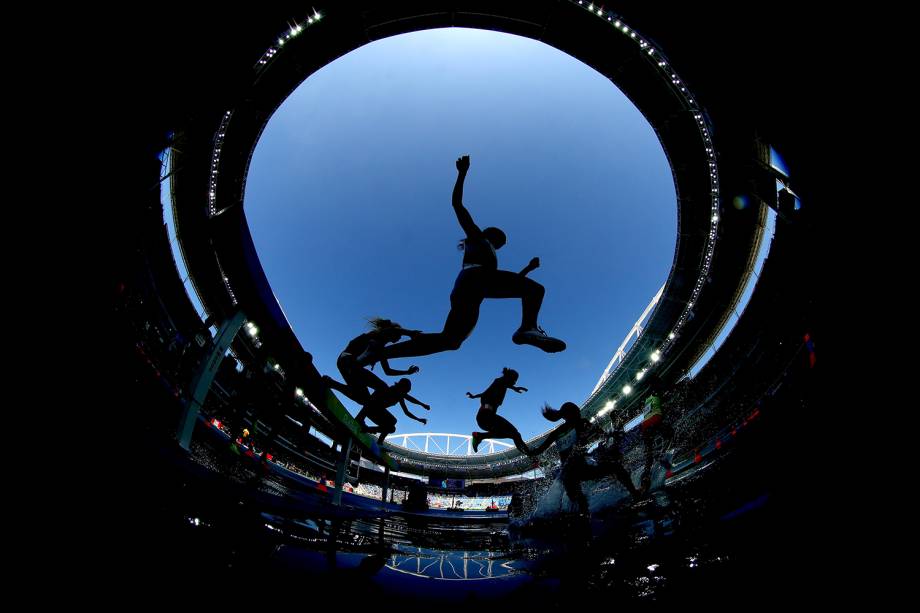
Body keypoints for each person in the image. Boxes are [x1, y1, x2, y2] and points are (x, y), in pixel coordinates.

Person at [357, 155, 565, 366]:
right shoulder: (477, 236)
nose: (501, 245)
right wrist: (462, 173)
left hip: (473, 290)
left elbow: (509, 286)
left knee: (451, 340)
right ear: (492, 235)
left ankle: (378, 353)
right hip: (474, 280)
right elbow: (457, 204)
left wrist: (527, 269)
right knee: (535, 290)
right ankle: (526, 329)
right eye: (501, 241)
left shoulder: (487, 256)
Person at [536, 402, 640, 514]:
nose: (580, 414)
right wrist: (611, 436)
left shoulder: (555, 433)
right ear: (572, 414)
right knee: (616, 467)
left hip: (567, 476)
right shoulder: (581, 422)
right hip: (581, 470)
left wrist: (522, 445)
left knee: (580, 506)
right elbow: (602, 434)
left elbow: (537, 451)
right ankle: (635, 494)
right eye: (577, 412)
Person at [323, 318, 428, 412]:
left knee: (362, 399)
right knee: (382, 386)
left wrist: (407, 372)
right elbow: (393, 330)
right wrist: (411, 333)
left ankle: (331, 383)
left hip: (349, 366)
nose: (400, 337)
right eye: (400, 335)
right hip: (347, 360)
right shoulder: (377, 335)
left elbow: (388, 371)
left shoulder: (381, 350)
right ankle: (366, 413)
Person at [468, 368, 533, 455]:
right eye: (514, 380)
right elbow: (502, 382)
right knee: (515, 434)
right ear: (508, 377)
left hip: (485, 419)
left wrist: (473, 396)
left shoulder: (501, 384)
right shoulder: (499, 381)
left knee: (514, 435)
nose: (515, 383)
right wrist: (514, 388)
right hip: (486, 417)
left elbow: (485, 393)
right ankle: (531, 454)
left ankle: (479, 436)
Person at [356, 378, 429, 445]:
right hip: (369, 409)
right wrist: (361, 417)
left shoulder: (399, 397)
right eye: (407, 390)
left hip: (376, 412)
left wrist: (418, 419)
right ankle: (364, 424)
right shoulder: (391, 389)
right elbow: (409, 398)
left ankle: (374, 436)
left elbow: (407, 412)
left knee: (391, 428)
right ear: (402, 387)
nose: (407, 392)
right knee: (393, 421)